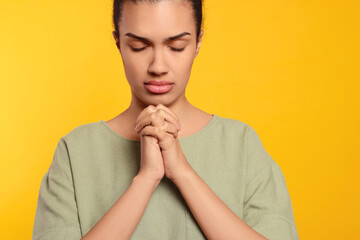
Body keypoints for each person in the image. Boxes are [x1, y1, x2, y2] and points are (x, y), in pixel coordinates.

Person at [32, 0, 299, 239]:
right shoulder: (75, 152)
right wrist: (146, 179)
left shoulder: (242, 145)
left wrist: (183, 172)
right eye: (138, 47)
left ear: (197, 43)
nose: (158, 66)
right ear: (118, 44)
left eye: (176, 46)